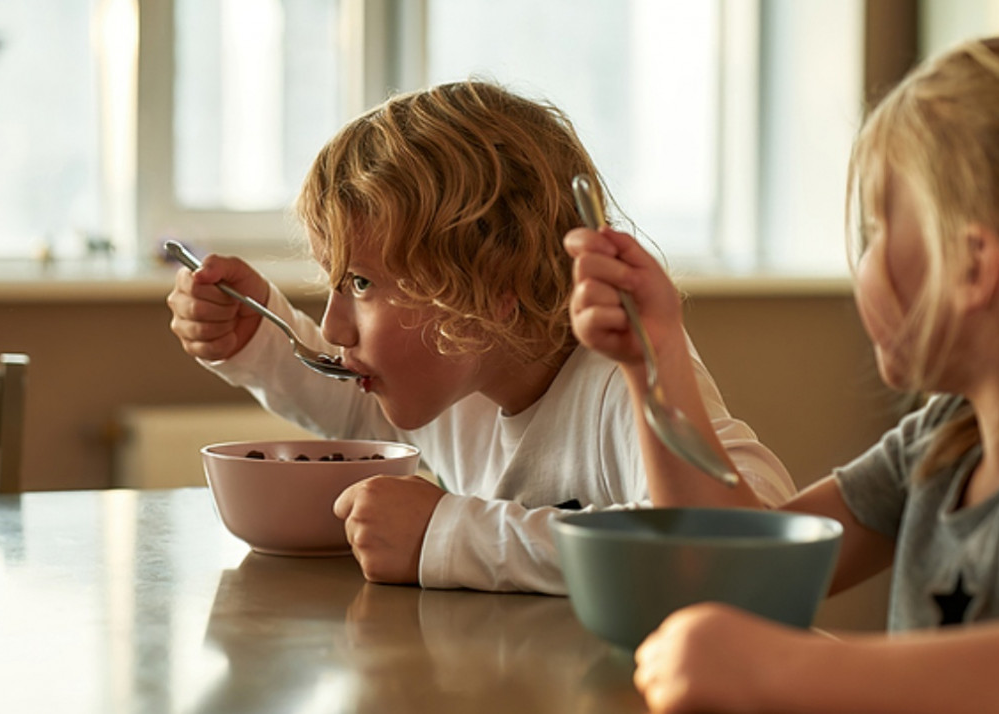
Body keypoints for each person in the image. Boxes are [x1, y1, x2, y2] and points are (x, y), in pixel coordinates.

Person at [566, 30, 999, 712]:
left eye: (877, 227)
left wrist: (790, 671)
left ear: (974, 265)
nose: (864, 258)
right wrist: (654, 355)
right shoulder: (951, 438)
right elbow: (743, 569)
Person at [167, 80, 795, 594]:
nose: (333, 327)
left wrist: (449, 534)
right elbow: (357, 405)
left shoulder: (620, 375)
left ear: (492, 288)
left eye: (360, 284)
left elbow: (752, 532)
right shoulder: (456, 378)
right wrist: (258, 340)